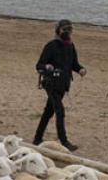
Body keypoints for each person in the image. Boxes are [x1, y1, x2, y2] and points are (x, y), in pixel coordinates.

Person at [33, 19, 85, 151]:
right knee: (60, 111)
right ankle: (64, 141)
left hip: (64, 84)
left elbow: (74, 64)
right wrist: (47, 66)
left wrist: (80, 70)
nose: (67, 32)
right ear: (58, 30)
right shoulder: (51, 45)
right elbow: (39, 65)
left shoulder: (71, 46)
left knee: (48, 112)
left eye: (69, 30)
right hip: (51, 83)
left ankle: (37, 138)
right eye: (64, 30)